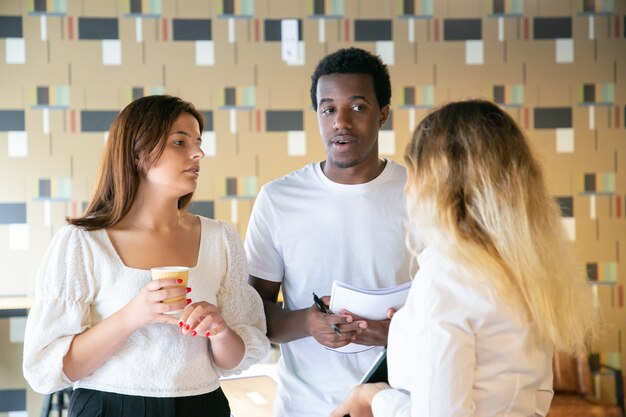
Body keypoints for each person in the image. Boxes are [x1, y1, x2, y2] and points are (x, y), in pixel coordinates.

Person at [331, 99, 599, 417]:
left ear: (440, 185)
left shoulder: (447, 278)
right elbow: (539, 397)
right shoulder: (530, 268)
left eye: (414, 174)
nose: (407, 189)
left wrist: (373, 397)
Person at [22, 95, 271, 417]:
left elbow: (235, 360)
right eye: (179, 142)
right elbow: (48, 369)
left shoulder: (220, 238)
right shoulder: (82, 244)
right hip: (108, 407)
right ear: (137, 152)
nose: (198, 153)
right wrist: (132, 316)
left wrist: (220, 330)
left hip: (202, 406)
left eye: (198, 142)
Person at [244, 47, 414, 417]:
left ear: (382, 113)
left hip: (400, 403)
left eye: (357, 107)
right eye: (328, 108)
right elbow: (253, 312)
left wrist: (394, 333)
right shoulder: (278, 199)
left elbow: (450, 306)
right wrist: (307, 321)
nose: (341, 122)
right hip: (304, 407)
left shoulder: (422, 193)